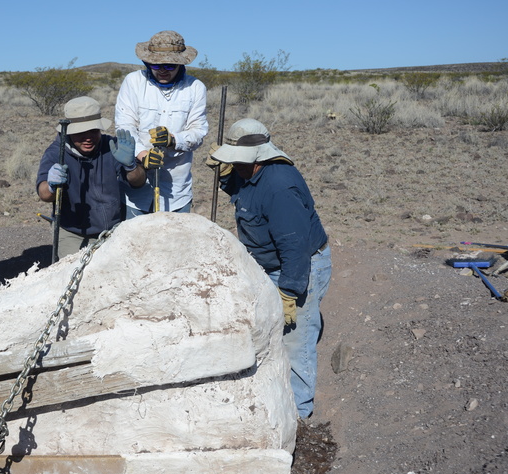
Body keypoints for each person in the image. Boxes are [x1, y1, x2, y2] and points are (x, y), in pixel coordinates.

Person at [209, 118, 331, 419]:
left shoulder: (279, 187)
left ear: (259, 156)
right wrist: (227, 177)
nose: (235, 165)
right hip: (271, 264)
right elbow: (247, 196)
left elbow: (295, 249)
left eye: (238, 161)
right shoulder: (251, 173)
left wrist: (289, 292)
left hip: (298, 266)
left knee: (295, 341)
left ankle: (299, 415)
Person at [36, 96, 147, 259]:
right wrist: (51, 186)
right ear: (68, 131)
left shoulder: (112, 147)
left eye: (94, 131)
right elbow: (43, 193)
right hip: (73, 234)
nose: (88, 138)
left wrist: (131, 167)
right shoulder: (56, 154)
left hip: (114, 230)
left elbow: (139, 182)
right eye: (81, 133)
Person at [115, 30, 208, 216]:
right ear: (147, 63)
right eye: (156, 66)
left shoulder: (195, 88)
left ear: (180, 63)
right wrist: (143, 155)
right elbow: (125, 127)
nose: (163, 71)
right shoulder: (133, 82)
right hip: (137, 187)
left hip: (177, 190)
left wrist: (173, 140)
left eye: (169, 65)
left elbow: (198, 132)